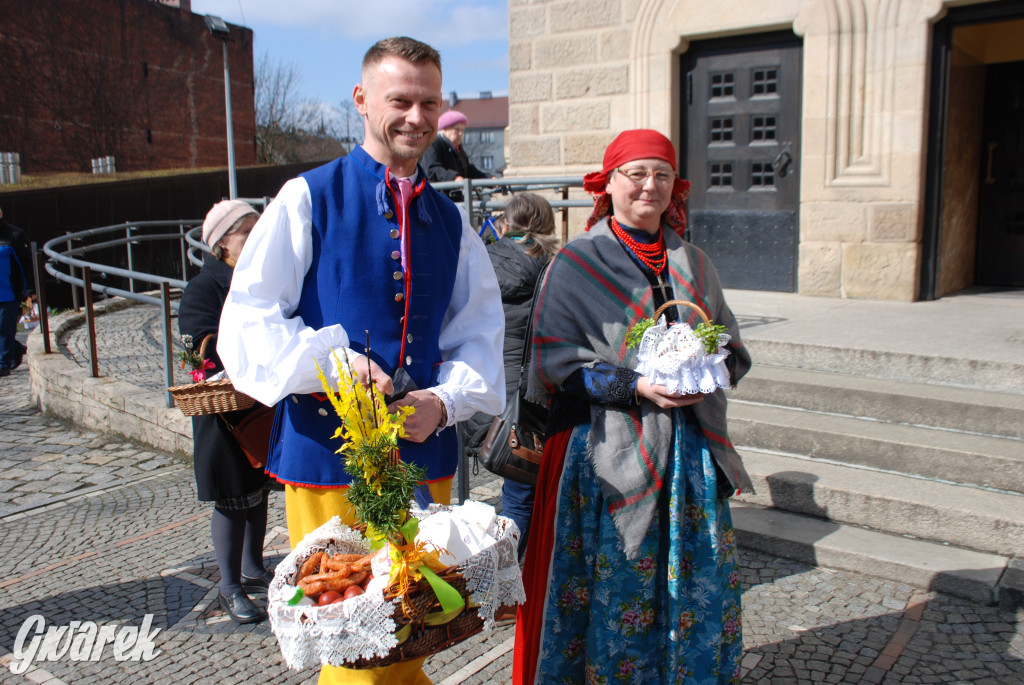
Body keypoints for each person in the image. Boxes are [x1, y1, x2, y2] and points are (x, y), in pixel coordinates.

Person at [217, 36, 505, 685]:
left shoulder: (449, 221)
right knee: (352, 643)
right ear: (362, 100)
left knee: (409, 635)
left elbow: (478, 333)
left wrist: (445, 401)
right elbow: (249, 321)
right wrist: (336, 367)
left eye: (428, 102)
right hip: (326, 460)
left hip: (422, 459)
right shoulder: (307, 197)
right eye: (400, 99)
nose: (416, 115)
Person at [512, 130, 753, 684]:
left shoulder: (695, 263)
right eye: (636, 173)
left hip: (687, 457)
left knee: (688, 578)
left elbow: (731, 345)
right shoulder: (577, 262)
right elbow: (555, 366)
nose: (650, 185)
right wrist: (638, 387)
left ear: (676, 187)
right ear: (610, 183)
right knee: (616, 577)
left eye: (662, 175)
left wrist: (711, 367)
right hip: (603, 456)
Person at [177, 200, 275, 624]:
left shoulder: (256, 279)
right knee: (232, 495)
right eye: (246, 231)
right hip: (223, 407)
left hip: (255, 400)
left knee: (258, 489)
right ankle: (229, 585)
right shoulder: (204, 286)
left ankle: (253, 567)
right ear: (220, 245)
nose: (255, 238)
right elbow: (198, 341)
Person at [461, 192, 559, 559]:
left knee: (516, 493)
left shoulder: (481, 258)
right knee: (523, 496)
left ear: (506, 222)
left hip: (483, 390)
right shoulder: (551, 267)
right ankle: (509, 585)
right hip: (527, 400)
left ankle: (505, 578)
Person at [420, 109, 490, 192]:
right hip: (439, 195)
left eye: (462, 130)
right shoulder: (435, 143)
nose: (461, 133)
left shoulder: (458, 148)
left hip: (456, 195)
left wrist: (488, 179)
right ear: (445, 129)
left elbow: (469, 170)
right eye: (457, 129)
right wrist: (454, 177)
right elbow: (432, 169)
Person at [0, 205, 31, 378]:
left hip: (8, 293)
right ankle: (17, 349)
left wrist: (30, 290)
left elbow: (26, 264)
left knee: (5, 328)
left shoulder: (14, 235)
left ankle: (3, 364)